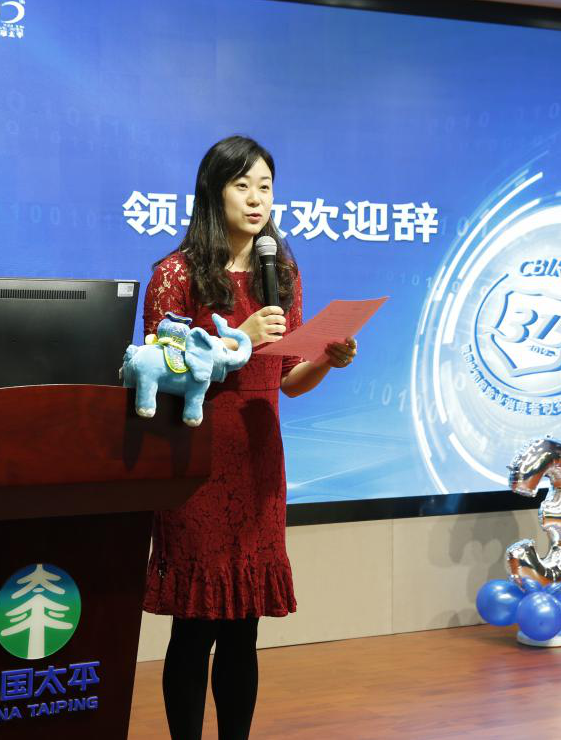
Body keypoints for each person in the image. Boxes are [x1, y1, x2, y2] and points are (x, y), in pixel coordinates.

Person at [141, 135, 356, 740]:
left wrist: (326, 358)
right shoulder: (175, 274)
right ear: (214, 192)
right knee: (196, 625)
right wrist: (241, 338)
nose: (257, 198)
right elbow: (164, 370)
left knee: (243, 626)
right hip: (197, 457)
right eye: (243, 185)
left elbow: (289, 379)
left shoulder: (279, 271)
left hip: (260, 460)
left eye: (266, 186)